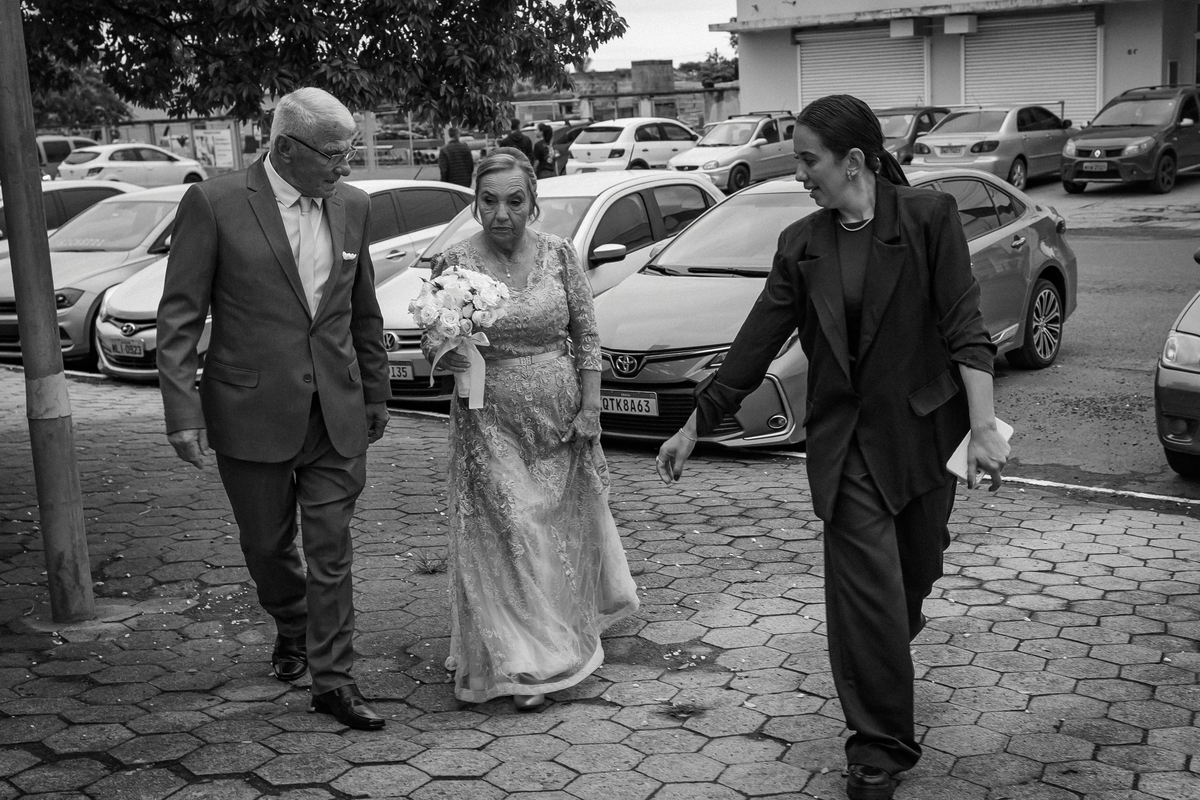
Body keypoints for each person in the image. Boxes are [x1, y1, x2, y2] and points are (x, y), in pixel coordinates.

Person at [655, 95, 1009, 800]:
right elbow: (757, 340)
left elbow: (965, 328)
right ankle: (878, 748)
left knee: (912, 578)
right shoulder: (802, 243)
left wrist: (984, 427)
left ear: (853, 162)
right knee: (866, 597)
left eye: (808, 160)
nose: (800, 175)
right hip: (845, 447)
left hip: (920, 437)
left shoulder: (928, 218)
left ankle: (884, 652)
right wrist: (696, 422)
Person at [157, 87, 392, 731]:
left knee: (331, 547)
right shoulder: (215, 203)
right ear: (286, 148)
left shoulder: (354, 205)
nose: (346, 165)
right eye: (335, 153)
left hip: (335, 408)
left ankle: (334, 680)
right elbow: (180, 315)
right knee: (266, 544)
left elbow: (362, 309)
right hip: (250, 408)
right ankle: (293, 620)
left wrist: (375, 391)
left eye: (350, 151)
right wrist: (182, 410)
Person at [424, 147, 639, 710]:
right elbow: (433, 337)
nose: (502, 214)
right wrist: (445, 351)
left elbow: (586, 336)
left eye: (514, 201)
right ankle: (525, 662)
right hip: (488, 419)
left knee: (554, 528)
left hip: (558, 420)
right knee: (514, 527)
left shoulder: (560, 255)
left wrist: (591, 407)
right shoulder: (454, 264)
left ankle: (558, 625)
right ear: (476, 204)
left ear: (532, 202)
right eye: (489, 201)